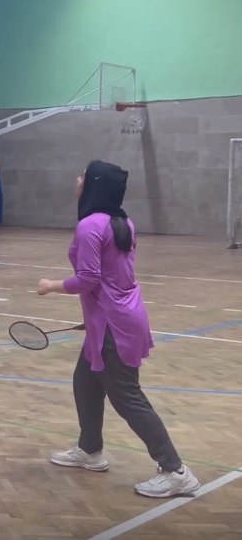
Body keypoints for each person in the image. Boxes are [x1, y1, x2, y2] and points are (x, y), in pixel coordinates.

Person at [36, 160, 199, 498]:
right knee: (85, 382)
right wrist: (93, 318)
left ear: (93, 184)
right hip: (117, 317)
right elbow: (114, 278)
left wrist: (51, 285)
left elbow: (88, 279)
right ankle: (90, 450)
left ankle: (175, 470)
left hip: (114, 325)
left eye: (82, 174)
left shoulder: (89, 226)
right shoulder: (123, 222)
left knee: (127, 397)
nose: (77, 178)